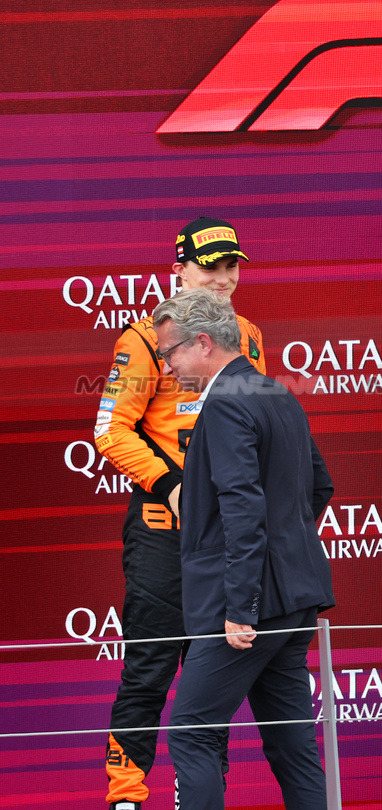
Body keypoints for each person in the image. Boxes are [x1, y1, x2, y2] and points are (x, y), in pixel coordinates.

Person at [94, 217, 264, 810]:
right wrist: (170, 483)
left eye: (230, 266)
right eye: (209, 266)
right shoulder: (142, 340)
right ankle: (126, 797)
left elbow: (252, 427)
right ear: (179, 270)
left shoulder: (249, 335)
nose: (222, 278)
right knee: (148, 667)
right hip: (164, 535)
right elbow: (110, 432)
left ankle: (200, 795)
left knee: (211, 677)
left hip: (223, 538)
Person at [152, 288, 335, 810]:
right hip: (294, 599)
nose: (166, 367)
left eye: (171, 353)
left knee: (192, 732)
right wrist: (284, 555)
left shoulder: (226, 405)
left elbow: (241, 508)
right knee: (293, 745)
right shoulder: (276, 393)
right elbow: (319, 487)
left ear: (203, 343)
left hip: (246, 611)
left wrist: (241, 606)